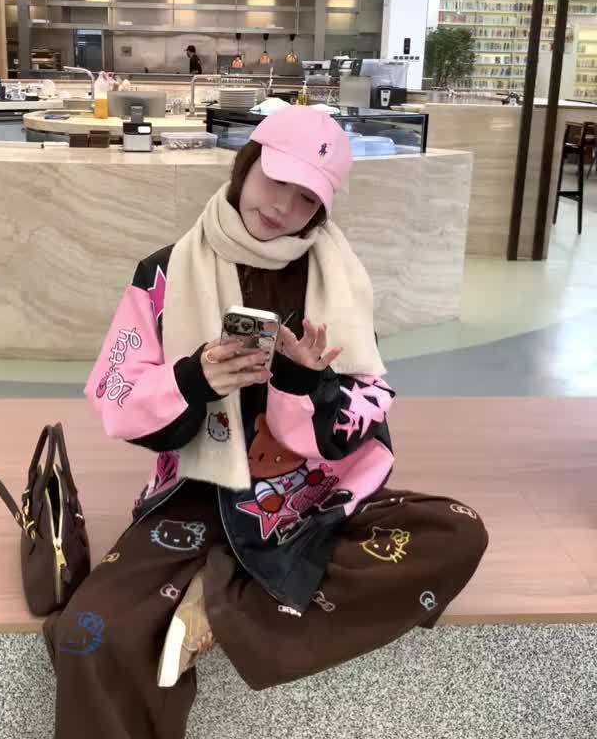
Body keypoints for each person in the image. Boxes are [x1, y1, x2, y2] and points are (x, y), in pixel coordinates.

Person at [44, 106, 488, 739]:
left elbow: (365, 406)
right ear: (246, 163)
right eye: (276, 179)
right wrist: (193, 380)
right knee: (92, 634)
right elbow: (116, 392)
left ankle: (216, 606)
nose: (283, 207)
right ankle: (242, 588)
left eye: (307, 198)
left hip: (308, 498)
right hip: (196, 495)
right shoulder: (164, 273)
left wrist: (302, 385)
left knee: (456, 533)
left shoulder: (339, 286)